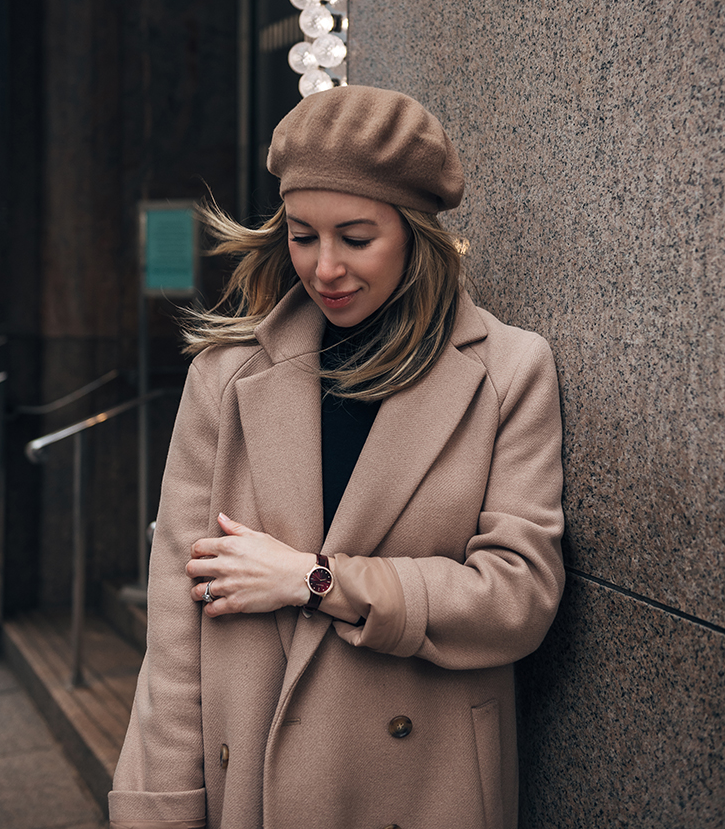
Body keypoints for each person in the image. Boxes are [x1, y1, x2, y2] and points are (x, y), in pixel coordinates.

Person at [108, 84, 564, 829]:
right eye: (302, 235)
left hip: (425, 792)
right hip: (251, 785)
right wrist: (159, 808)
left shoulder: (510, 371)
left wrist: (314, 580)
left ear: (417, 234)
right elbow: (175, 628)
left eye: (355, 238)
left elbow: (517, 599)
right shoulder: (226, 378)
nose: (324, 268)